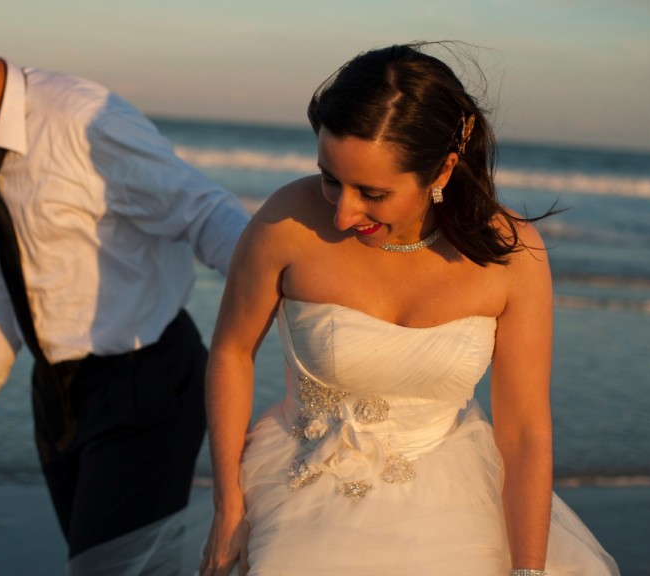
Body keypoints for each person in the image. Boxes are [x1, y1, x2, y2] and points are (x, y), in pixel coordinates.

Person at [197, 42, 621, 576]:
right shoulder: (288, 219)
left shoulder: (514, 256)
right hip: (299, 487)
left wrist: (528, 568)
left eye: (371, 193)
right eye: (331, 178)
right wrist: (228, 506)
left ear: (442, 170)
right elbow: (232, 351)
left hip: (457, 500)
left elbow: (525, 430)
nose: (344, 213)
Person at [0, 5, 250, 574]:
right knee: (115, 565)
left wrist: (278, 289)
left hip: (147, 382)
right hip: (55, 396)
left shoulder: (83, 118)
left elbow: (200, 210)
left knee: (106, 569)